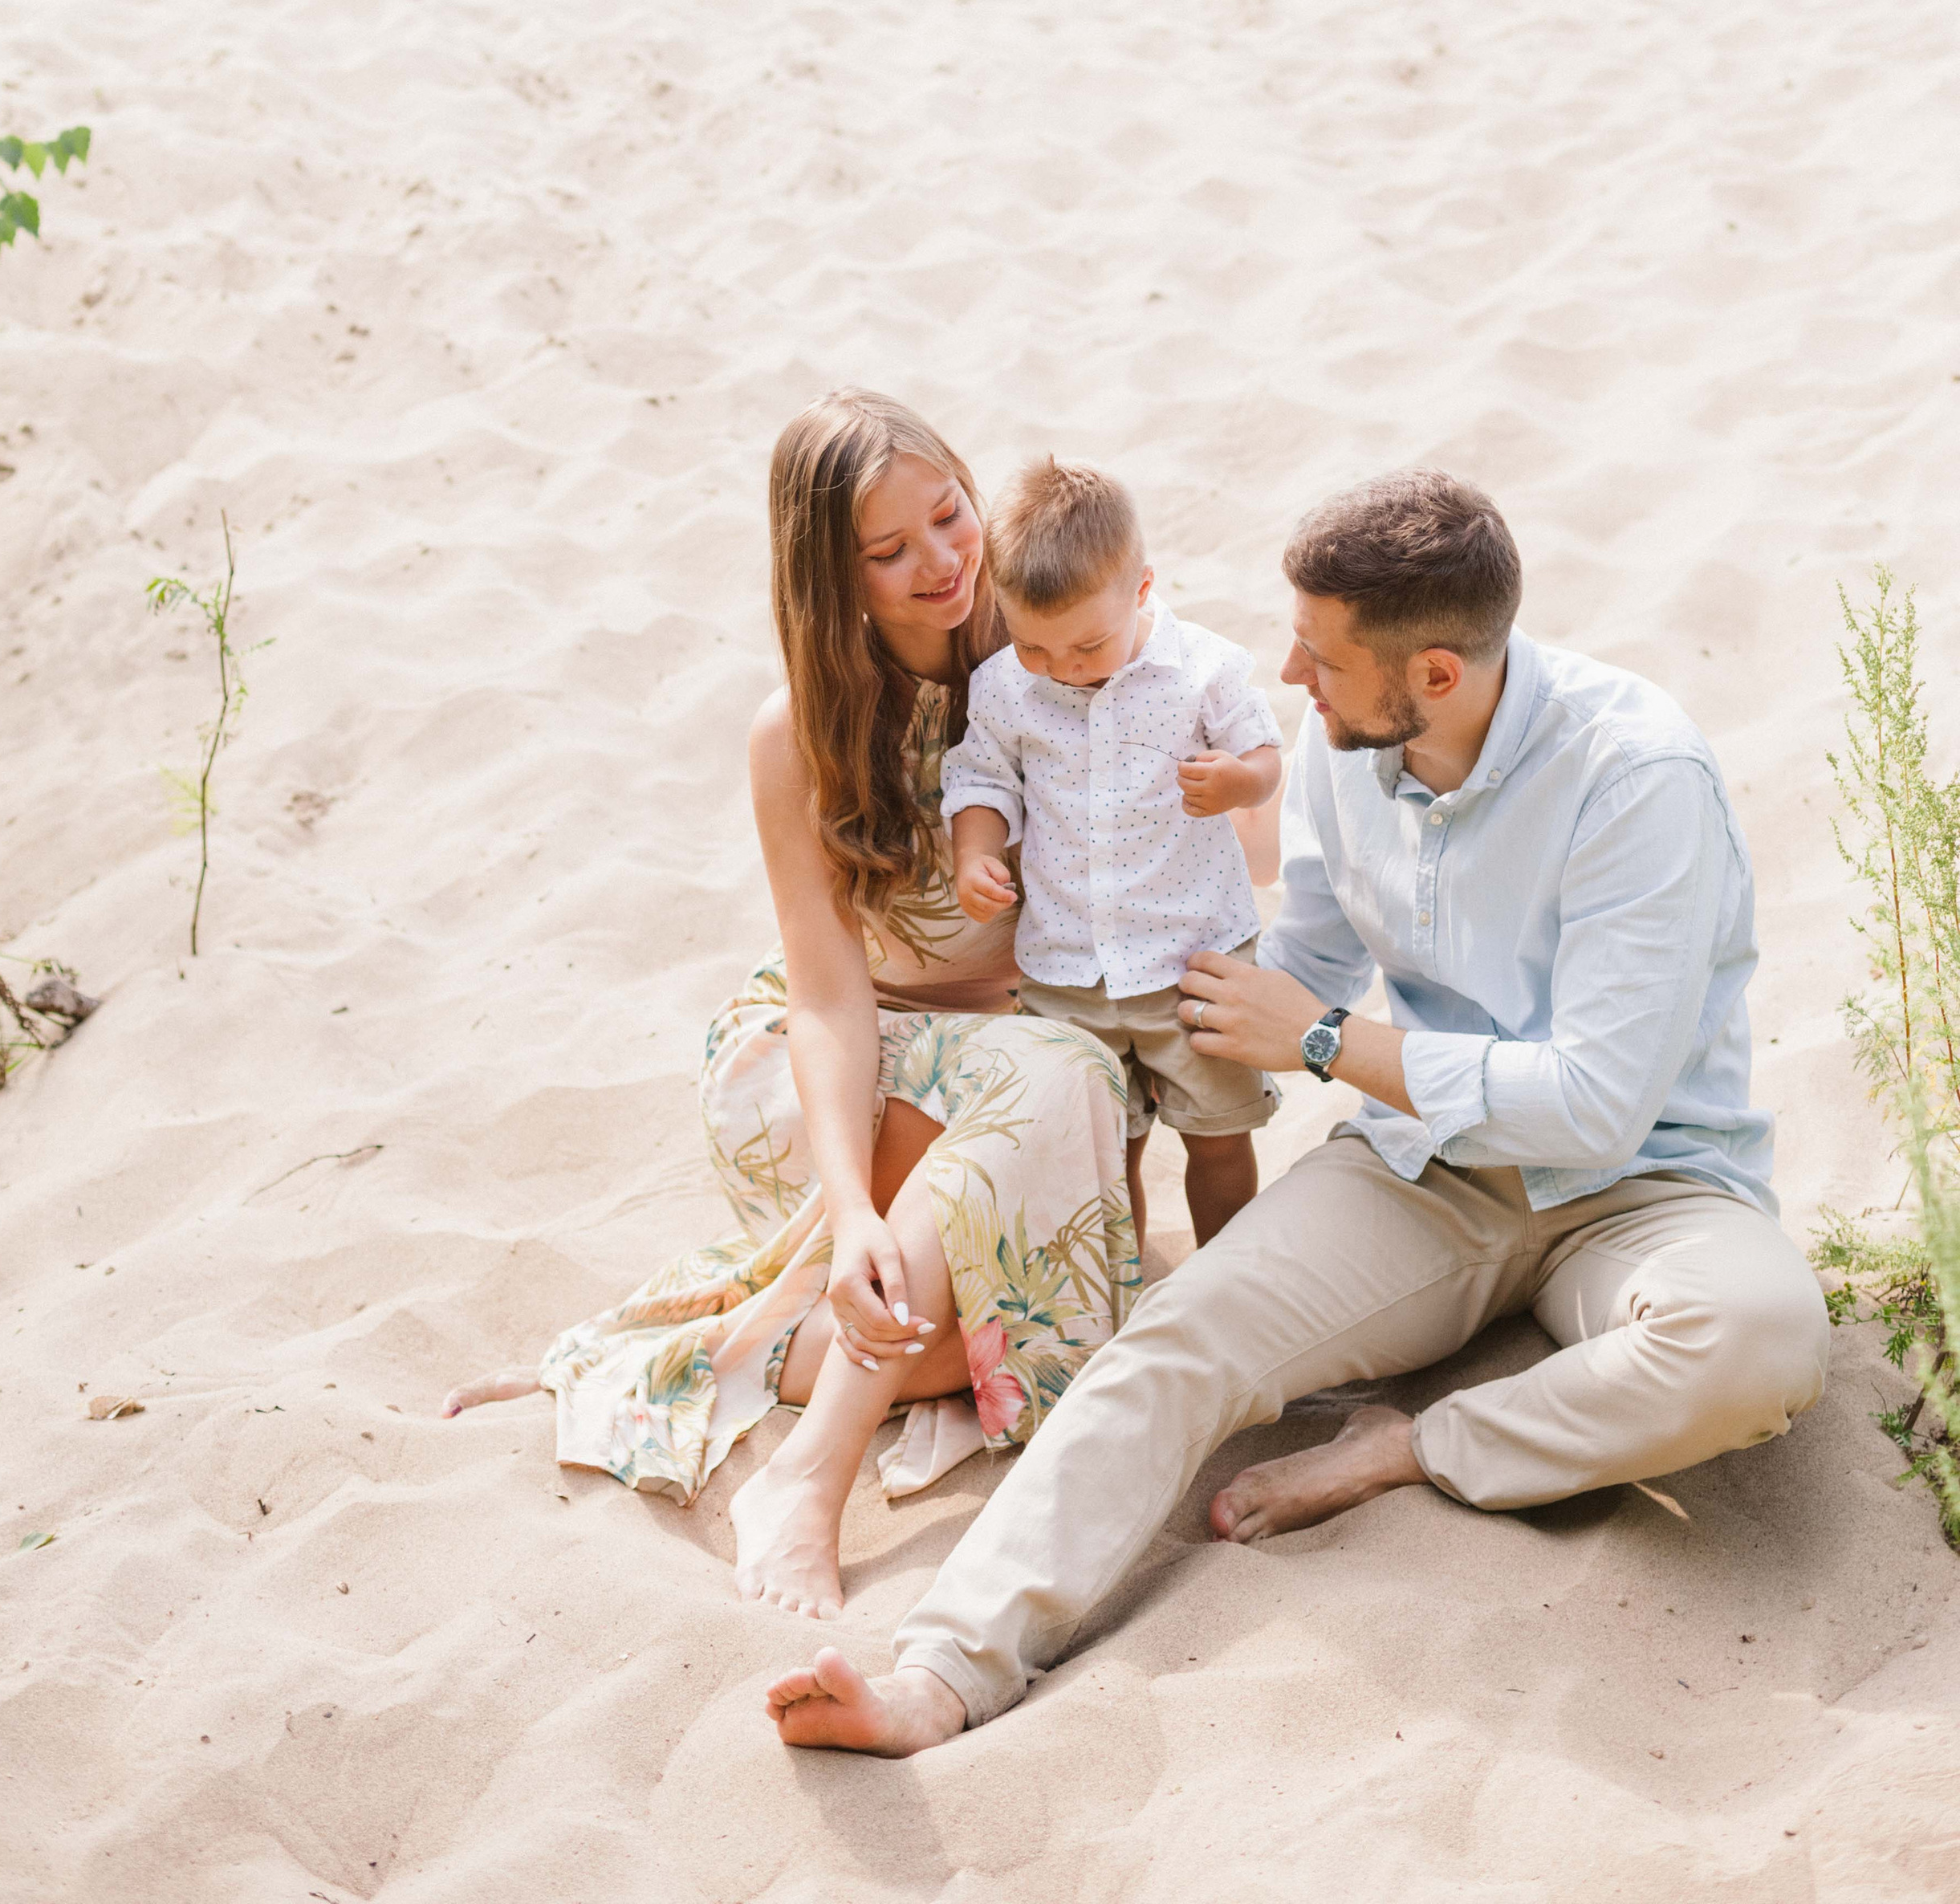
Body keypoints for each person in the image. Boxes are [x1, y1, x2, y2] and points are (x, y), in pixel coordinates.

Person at [764, 468, 1833, 1751]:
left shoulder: (1636, 776)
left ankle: (1417, 1447)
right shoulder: (1345, 751)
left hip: (1650, 1190)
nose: (1288, 673)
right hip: (1426, 1170)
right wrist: (1103, 1018)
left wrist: (1325, 1039)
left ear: (1433, 674)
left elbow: (1595, 1108)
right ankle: (946, 1670)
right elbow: (1304, 965)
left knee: (1761, 1341)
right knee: (1177, 1337)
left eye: (1319, 656)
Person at [444, 389, 1138, 1621]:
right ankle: (809, 1480)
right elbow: (825, 993)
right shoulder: (798, 736)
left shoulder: (1051, 643)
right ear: (835, 580)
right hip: (839, 1059)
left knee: (982, 1325)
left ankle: (721, 1350)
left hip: (1020, 1052)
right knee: (1046, 1101)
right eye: (890, 551)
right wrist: (858, 1203)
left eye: (949, 514)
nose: (943, 561)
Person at [945, 454, 1284, 1250]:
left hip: (1193, 958)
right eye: (1034, 647)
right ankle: (1120, 1279)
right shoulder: (1002, 687)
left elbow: (1267, 756)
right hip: (1069, 965)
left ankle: (1223, 1278)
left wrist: (1237, 782)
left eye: (1087, 646)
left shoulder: (1204, 670)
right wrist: (976, 855)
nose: (1062, 668)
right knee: (1104, 1148)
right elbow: (980, 779)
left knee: (1219, 1137)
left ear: (1140, 589)